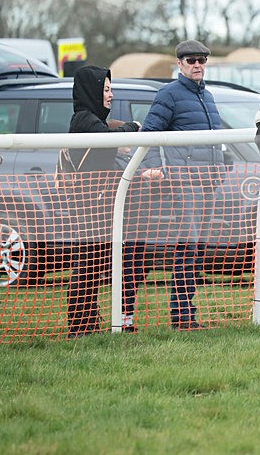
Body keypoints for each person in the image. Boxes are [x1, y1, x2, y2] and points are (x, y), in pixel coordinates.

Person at [134, 39, 225, 331]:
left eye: (202, 60)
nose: (197, 65)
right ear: (180, 64)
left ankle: (186, 314)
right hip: (184, 183)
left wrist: (221, 169)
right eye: (191, 60)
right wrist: (153, 167)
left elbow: (216, 140)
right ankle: (183, 316)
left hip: (208, 183)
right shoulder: (169, 94)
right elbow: (149, 134)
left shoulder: (207, 96)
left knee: (197, 250)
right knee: (187, 249)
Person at [66, 66, 140, 338]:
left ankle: (88, 322)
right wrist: (135, 126)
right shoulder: (84, 119)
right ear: (92, 91)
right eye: (106, 89)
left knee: (93, 267)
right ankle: (79, 326)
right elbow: (111, 140)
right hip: (87, 208)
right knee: (86, 267)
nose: (111, 95)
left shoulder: (92, 119)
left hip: (98, 206)